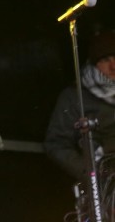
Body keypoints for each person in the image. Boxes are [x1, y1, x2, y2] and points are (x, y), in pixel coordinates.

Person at [45, 30, 115, 185]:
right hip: (105, 181)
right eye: (106, 59)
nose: (113, 66)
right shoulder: (74, 97)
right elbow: (56, 144)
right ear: (94, 63)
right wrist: (90, 173)